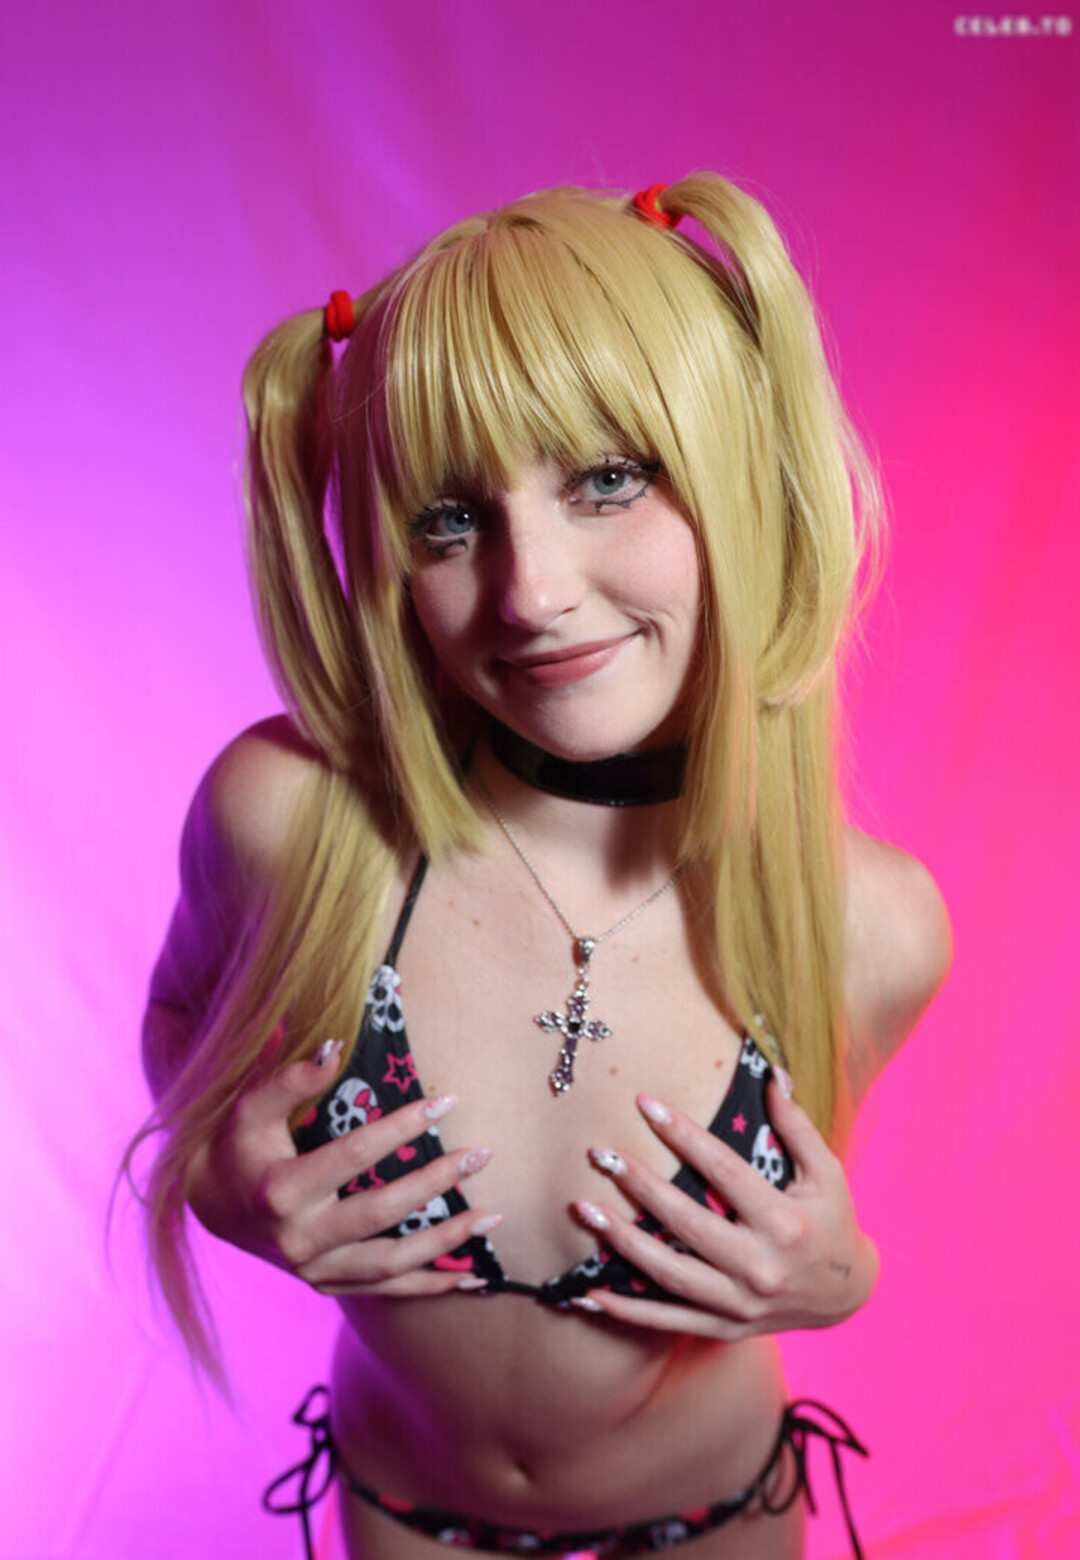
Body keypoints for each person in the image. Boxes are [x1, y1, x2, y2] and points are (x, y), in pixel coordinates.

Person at [134, 174, 952, 1560]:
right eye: (448, 521)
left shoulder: (869, 924)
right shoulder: (291, 825)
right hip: (406, 1510)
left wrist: (844, 1277)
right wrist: (214, 1171)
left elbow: (815, 1202)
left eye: (607, 480)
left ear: (739, 476)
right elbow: (178, 1014)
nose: (531, 591)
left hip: (719, 1516)